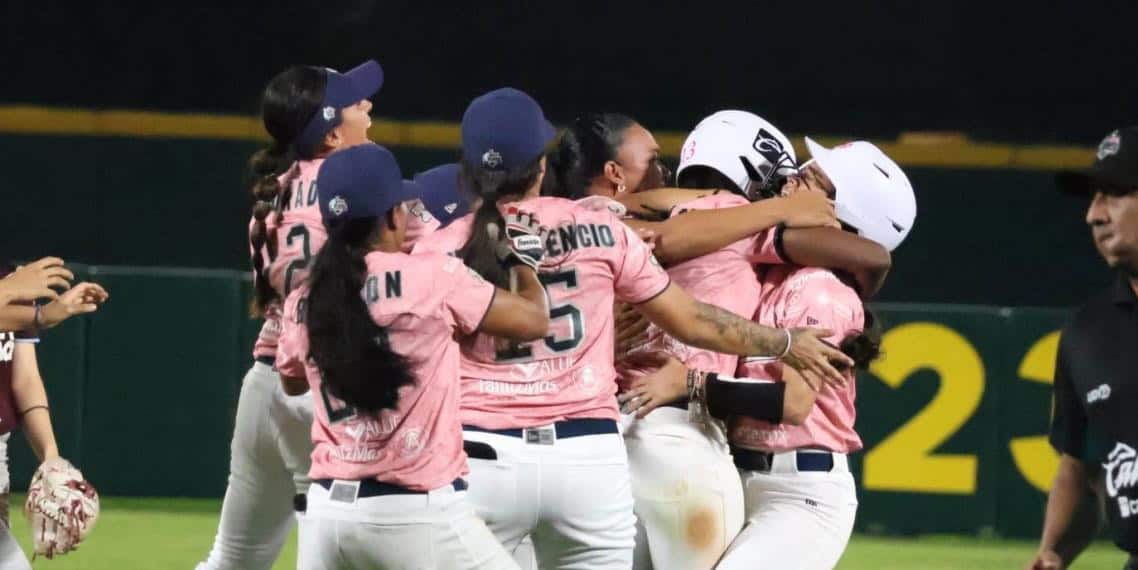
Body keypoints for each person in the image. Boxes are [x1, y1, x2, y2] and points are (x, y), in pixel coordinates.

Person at [415, 88, 853, 569]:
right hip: (609, 450)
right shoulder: (603, 228)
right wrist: (783, 341)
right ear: (538, 165)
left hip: (488, 451)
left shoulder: (440, 249)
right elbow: (691, 317)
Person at [623, 139, 916, 570]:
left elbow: (793, 405)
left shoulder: (823, 291)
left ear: (845, 215)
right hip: (743, 473)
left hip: (801, 492)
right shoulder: (770, 268)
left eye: (812, 179)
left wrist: (691, 384)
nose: (793, 177)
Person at [277, 143, 550, 569]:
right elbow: (534, 320)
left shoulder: (306, 297)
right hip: (413, 512)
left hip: (328, 516)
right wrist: (522, 263)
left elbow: (292, 380)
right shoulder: (431, 276)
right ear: (391, 216)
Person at [198, 60, 382, 570]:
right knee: (337, 553)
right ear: (329, 136)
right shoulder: (357, 188)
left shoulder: (272, 191)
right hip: (325, 384)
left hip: (267, 380)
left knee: (233, 558)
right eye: (355, 103)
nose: (367, 107)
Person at [1028, 126, 1138, 570]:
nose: (1093, 214)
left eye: (1114, 193)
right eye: (1093, 197)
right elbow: (1081, 466)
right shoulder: (1087, 332)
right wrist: (1053, 552)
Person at [0, 262, 109, 567]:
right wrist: (37, 312)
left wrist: (51, 456)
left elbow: (25, 380)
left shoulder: (13, 279)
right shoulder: (15, 283)